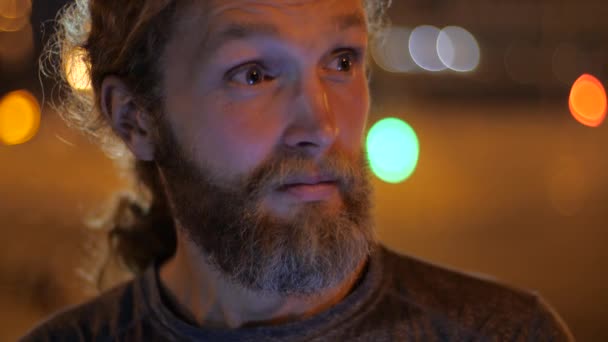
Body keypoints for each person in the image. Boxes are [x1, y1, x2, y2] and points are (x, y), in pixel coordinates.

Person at [23, 0, 574, 341]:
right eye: (255, 73)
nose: (322, 125)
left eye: (342, 61)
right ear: (136, 119)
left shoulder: (504, 333)